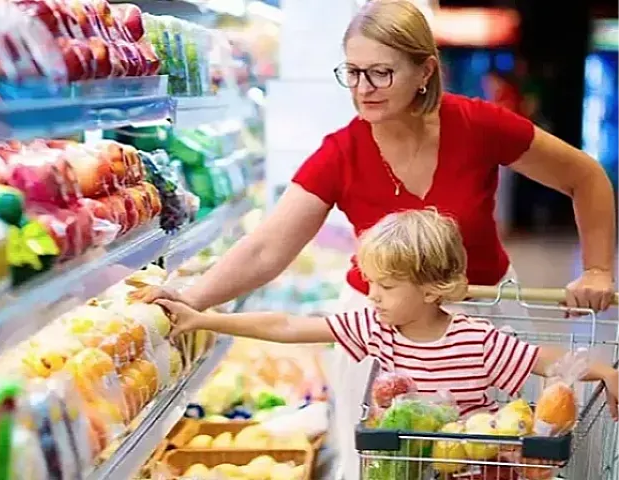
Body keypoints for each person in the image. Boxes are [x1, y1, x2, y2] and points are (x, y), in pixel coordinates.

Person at [133, 0, 616, 316]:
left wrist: (597, 269)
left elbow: (586, 176)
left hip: (484, 317)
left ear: (424, 71)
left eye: (381, 73)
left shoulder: (477, 124)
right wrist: (190, 298)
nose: (363, 90)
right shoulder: (342, 153)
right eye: (354, 72)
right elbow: (266, 249)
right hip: (379, 331)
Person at [155, 209, 619, 456]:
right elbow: (289, 324)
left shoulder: (476, 339)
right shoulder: (376, 328)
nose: (372, 295)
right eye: (372, 283)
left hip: (469, 468)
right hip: (402, 467)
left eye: (387, 286)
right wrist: (204, 317)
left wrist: (603, 371)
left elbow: (542, 359)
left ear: (433, 290)